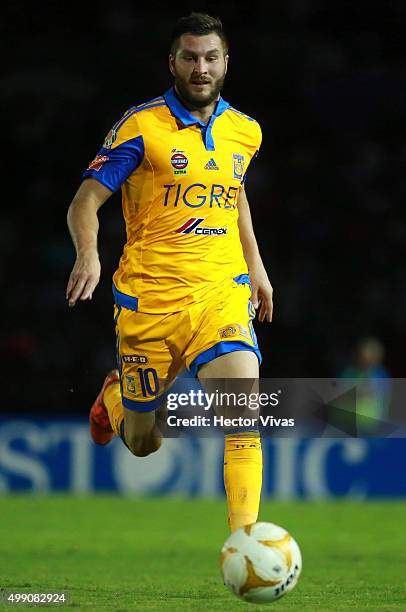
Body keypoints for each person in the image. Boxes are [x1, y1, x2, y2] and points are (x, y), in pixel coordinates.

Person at [66, 12, 273, 531]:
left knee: (242, 415)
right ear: (173, 63)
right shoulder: (140, 127)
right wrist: (88, 253)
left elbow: (234, 195)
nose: (200, 67)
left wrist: (257, 268)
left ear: (226, 63)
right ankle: (115, 395)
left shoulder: (245, 131)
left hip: (220, 292)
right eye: (190, 57)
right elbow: (84, 203)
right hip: (149, 302)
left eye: (210, 58)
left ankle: (245, 542)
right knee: (143, 442)